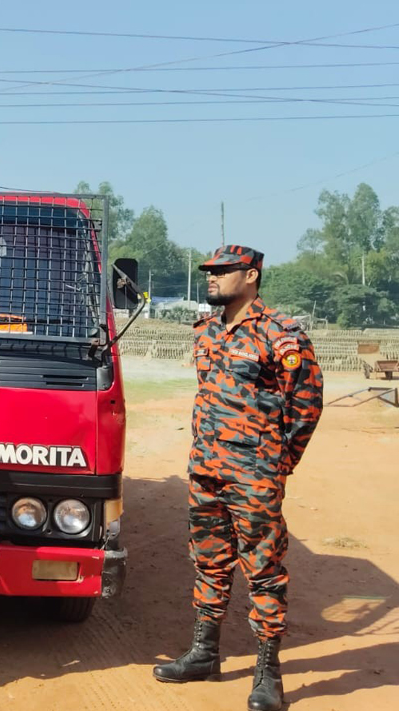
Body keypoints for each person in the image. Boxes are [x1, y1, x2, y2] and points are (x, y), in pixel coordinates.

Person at [152, 245, 324, 711]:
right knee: (208, 561)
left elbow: (306, 405)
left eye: (222, 271)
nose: (211, 278)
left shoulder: (279, 334)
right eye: (209, 271)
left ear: (250, 276)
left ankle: (269, 675)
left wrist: (277, 463)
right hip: (206, 469)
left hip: (255, 474)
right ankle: (204, 654)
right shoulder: (207, 329)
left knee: (264, 571)